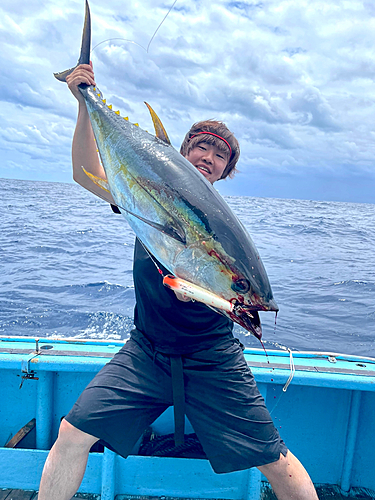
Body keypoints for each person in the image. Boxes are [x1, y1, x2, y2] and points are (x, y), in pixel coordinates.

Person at [38, 63, 318, 500]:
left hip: (213, 358)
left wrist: (239, 293)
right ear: (182, 152)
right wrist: (83, 103)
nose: (207, 156)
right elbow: (82, 173)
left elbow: (226, 283)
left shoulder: (222, 230)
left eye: (219, 154)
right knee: (72, 434)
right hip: (146, 350)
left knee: (277, 461)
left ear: (226, 171)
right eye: (200, 147)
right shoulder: (145, 192)